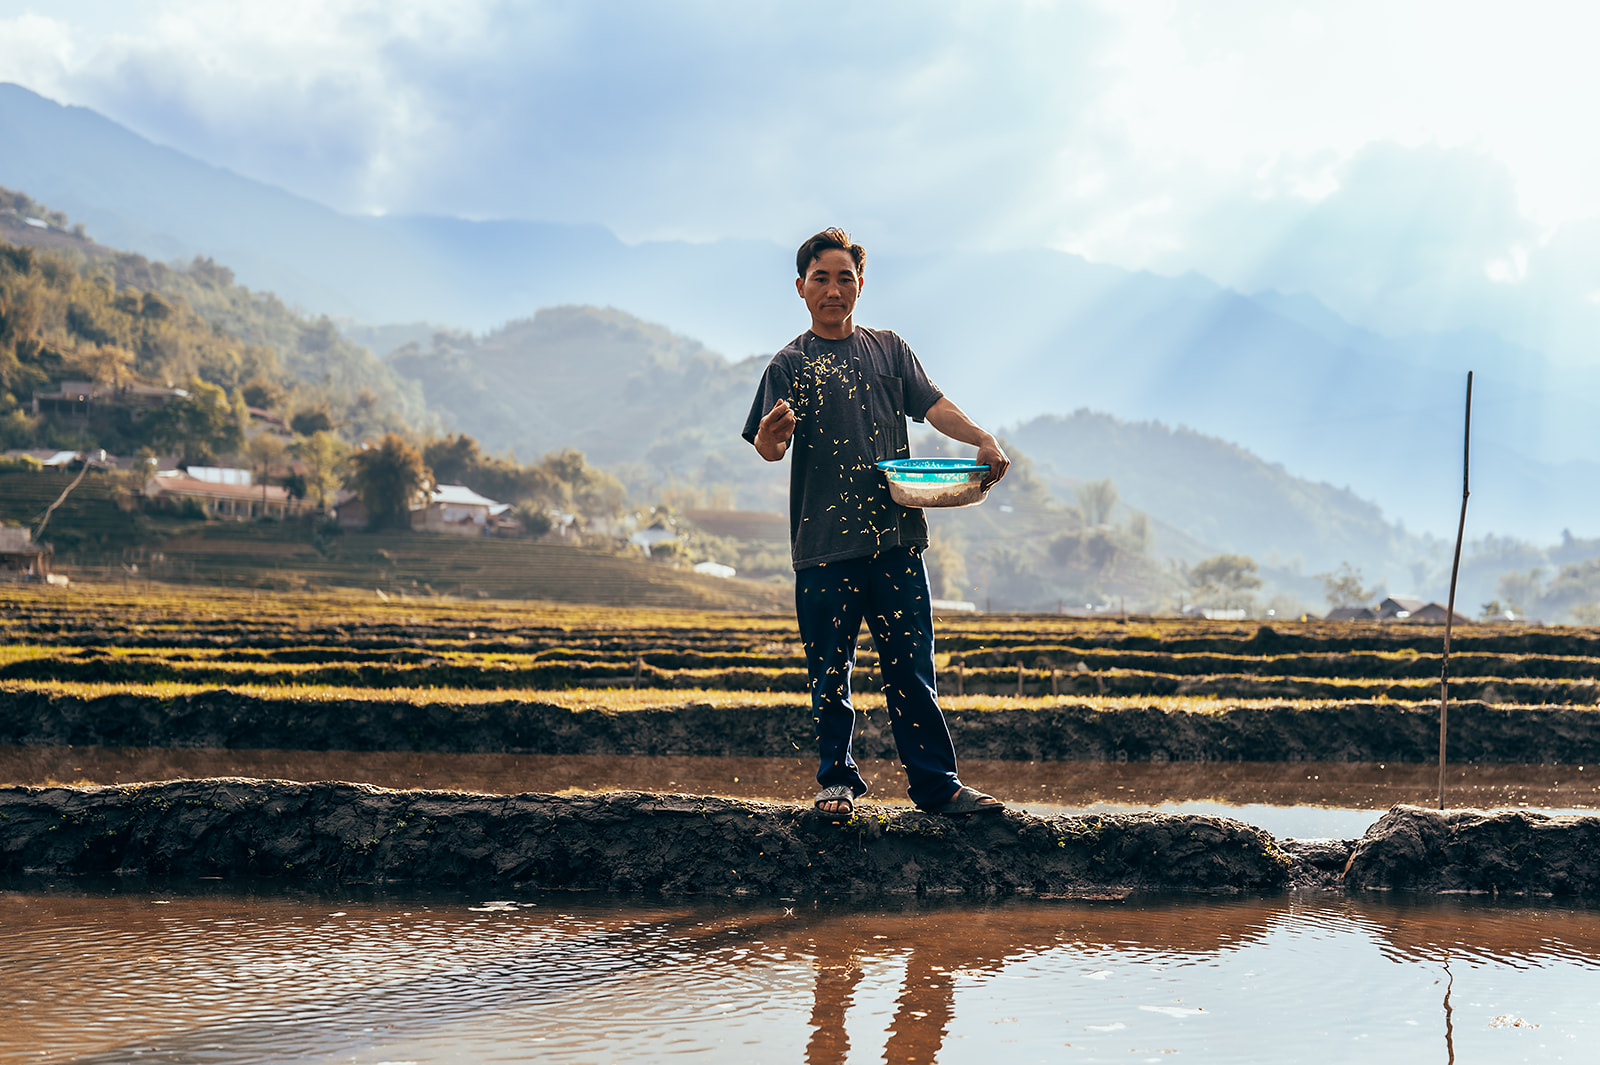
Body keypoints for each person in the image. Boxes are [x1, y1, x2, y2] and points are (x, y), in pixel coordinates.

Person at [742, 227, 1011, 820]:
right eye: (821, 278)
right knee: (830, 673)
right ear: (800, 288)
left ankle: (937, 788)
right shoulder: (788, 366)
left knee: (911, 671)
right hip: (823, 548)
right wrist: (767, 439)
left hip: (895, 541)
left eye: (844, 278)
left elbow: (934, 406)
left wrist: (981, 437)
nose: (833, 289)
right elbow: (768, 447)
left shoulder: (888, 349)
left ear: (860, 285)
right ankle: (836, 784)